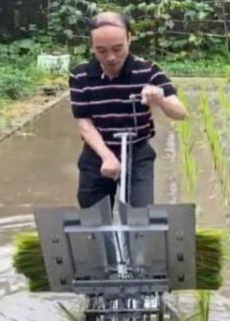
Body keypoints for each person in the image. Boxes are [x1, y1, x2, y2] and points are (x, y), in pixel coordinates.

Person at [69, 12, 188, 209]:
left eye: (118, 48)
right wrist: (107, 156)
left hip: (137, 153)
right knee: (93, 222)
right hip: (96, 154)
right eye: (101, 50)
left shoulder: (148, 71)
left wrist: (160, 99)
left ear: (129, 39)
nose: (111, 57)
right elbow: (85, 124)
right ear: (92, 46)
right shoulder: (80, 75)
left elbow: (180, 113)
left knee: (139, 219)